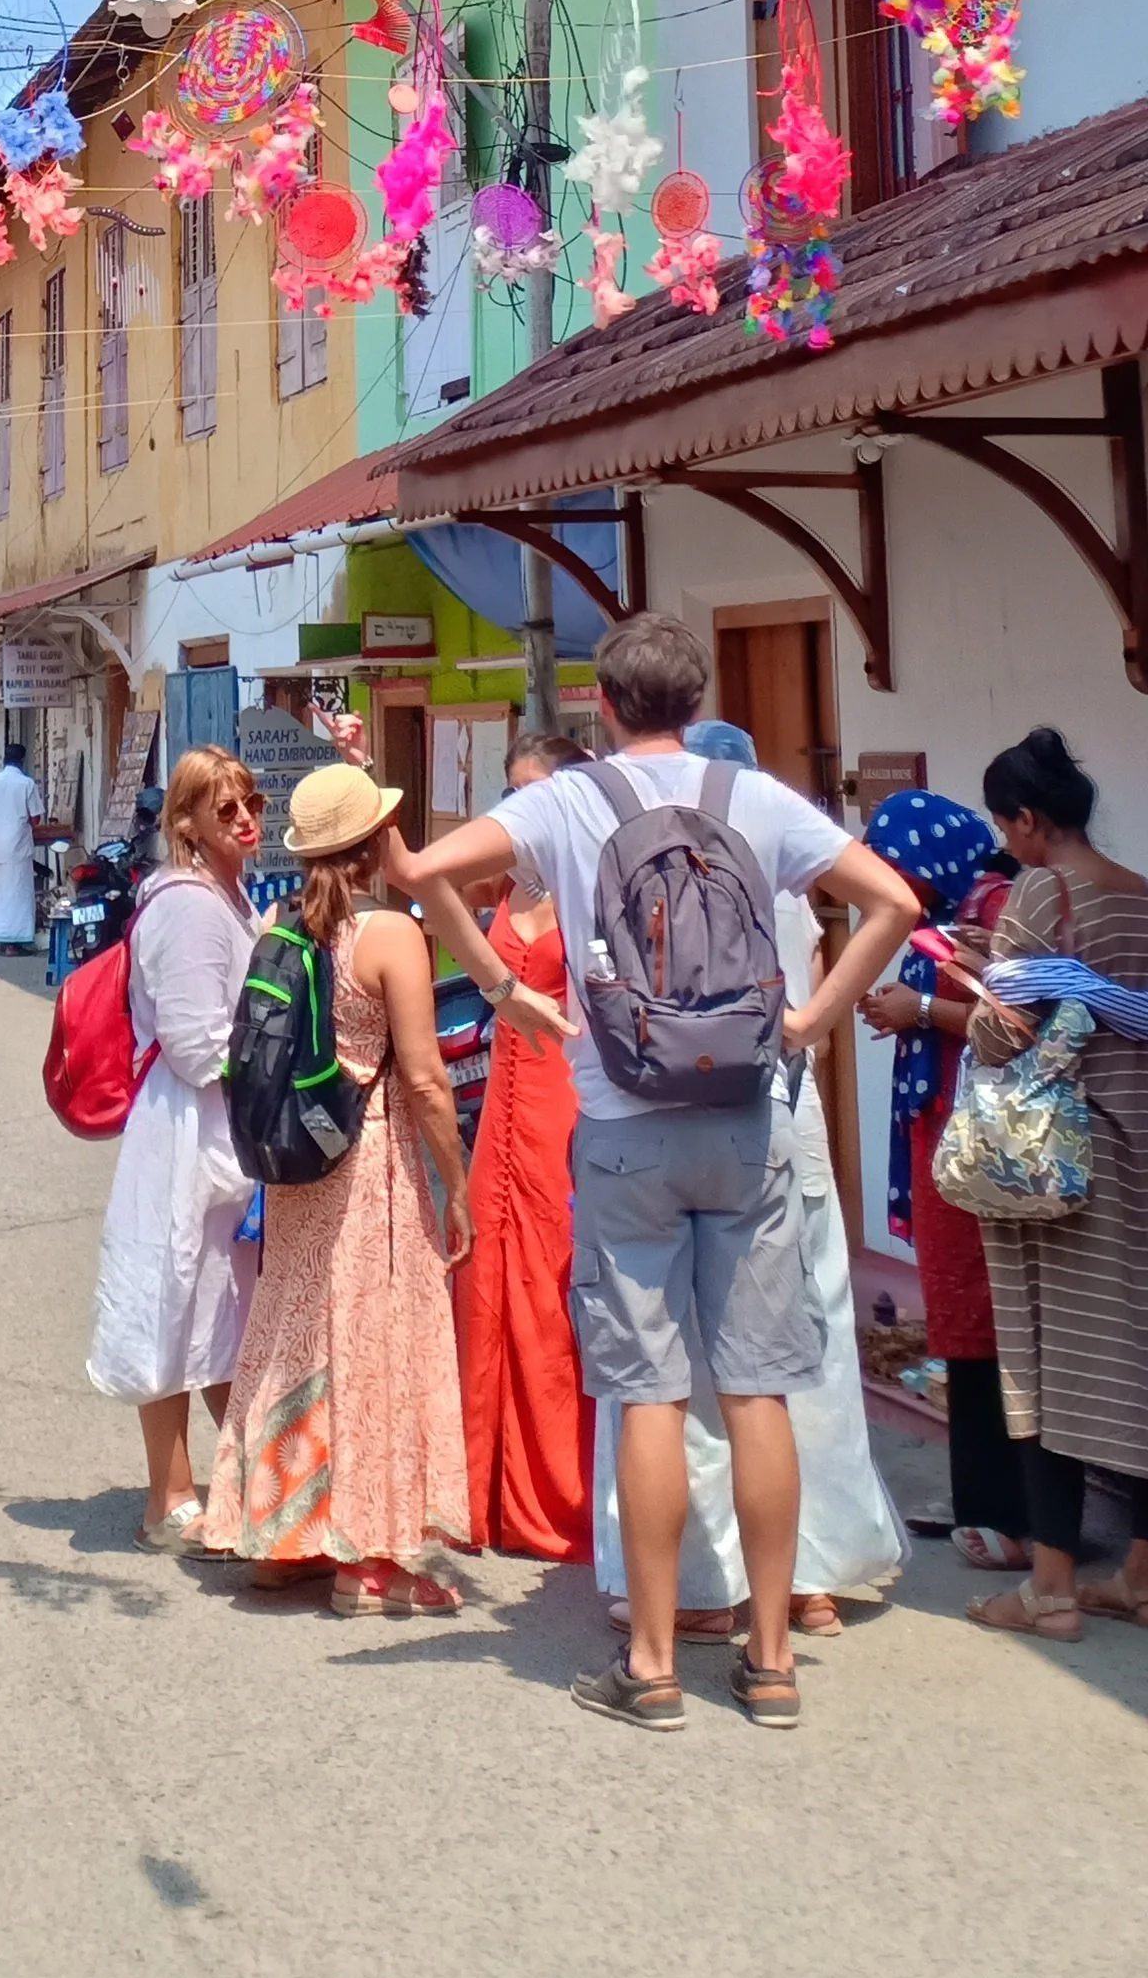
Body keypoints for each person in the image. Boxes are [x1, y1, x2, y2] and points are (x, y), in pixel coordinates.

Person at [407, 613, 919, 1731]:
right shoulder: (756, 799)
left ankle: (649, 1663)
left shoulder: (568, 801)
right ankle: (772, 1660)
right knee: (756, 1387)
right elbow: (895, 904)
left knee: (645, 1392)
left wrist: (502, 986)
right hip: (745, 1116)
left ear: (602, 702)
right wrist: (812, 1021)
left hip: (622, 1121)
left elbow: (421, 868)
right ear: (695, 700)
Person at [586, 717, 907, 1643]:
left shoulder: (649, 872)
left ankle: (698, 1584)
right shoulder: (784, 875)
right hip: (783, 1108)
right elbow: (868, 931)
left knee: (677, 1357)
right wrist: (807, 1029)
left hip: (674, 1118)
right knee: (803, 1351)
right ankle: (812, 1577)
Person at [202, 761, 525, 1615]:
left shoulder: (285, 925)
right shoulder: (391, 936)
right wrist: (454, 1182)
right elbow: (422, 1079)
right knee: (379, 1347)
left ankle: (282, 1532)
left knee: (299, 1334)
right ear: (375, 842)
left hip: (303, 1173)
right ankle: (368, 1559)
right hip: (372, 1163)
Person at [963, 728, 1148, 1640]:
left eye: (1007, 825)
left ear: (1029, 820)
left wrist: (964, 982)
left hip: (1065, 1170)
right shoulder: (1142, 895)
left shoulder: (1042, 891)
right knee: (1138, 1363)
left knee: (1048, 1368)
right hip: (1141, 1154)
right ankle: (1141, 1580)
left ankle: (1053, 1590)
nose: (1009, 842)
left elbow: (1004, 1031)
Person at [87, 745, 265, 1543]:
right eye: (225, 810)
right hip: (191, 1128)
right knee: (175, 1302)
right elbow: (198, 1047)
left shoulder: (229, 895)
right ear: (187, 824)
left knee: (221, 1311)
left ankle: (234, 1483)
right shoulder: (191, 906)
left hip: (223, 1128)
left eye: (251, 803)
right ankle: (171, 1495)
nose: (246, 820)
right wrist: (277, 1051)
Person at [856, 789, 1029, 1569]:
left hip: (983, 1145)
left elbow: (1019, 1023)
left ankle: (1010, 1514)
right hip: (949, 1137)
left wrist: (919, 1007)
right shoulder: (943, 916)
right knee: (958, 1312)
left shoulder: (993, 911)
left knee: (986, 1316)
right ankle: (976, 1503)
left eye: (896, 867)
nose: (888, 883)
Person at [448, 756, 593, 1564]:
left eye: (535, 787)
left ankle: (563, 1491)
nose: (522, 802)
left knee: (553, 1285)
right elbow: (431, 886)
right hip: (503, 1094)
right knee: (487, 1283)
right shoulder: (513, 880)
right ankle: (486, 1489)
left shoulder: (592, 880)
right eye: (514, 787)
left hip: (562, 1100)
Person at [0, 742, 42, 952]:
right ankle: (12, 944)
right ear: (22, 762)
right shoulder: (26, 784)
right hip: (18, 849)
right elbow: (36, 819)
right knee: (18, 895)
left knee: (0, 893)